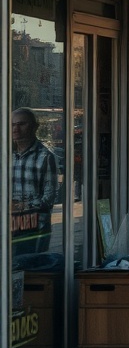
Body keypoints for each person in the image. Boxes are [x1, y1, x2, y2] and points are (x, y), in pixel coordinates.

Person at [11, 108, 59, 256]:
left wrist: (22, 206)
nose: (15, 129)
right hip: (10, 224)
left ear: (34, 127)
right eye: (12, 125)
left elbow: (50, 196)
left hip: (34, 224)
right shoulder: (7, 155)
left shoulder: (45, 156)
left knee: (31, 264)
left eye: (21, 124)